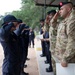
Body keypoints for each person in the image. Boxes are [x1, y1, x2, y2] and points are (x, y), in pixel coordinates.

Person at [51, 2, 75, 75]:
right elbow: (53, 26)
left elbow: (73, 41)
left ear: (68, 9)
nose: (59, 11)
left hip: (69, 59)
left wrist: (66, 58)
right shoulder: (64, 21)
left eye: (61, 9)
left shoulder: (72, 21)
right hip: (60, 56)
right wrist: (54, 19)